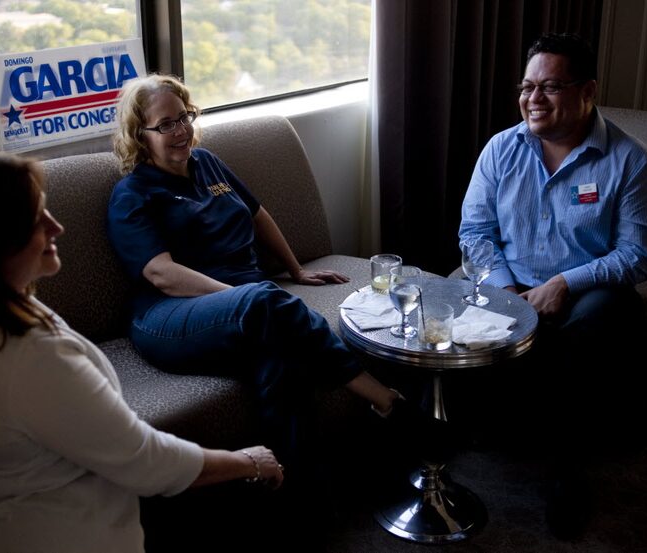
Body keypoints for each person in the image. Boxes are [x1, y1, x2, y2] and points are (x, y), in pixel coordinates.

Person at [0, 150, 284, 553]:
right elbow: (147, 461)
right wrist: (249, 461)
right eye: (36, 219)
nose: (56, 227)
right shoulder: (27, 356)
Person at [106, 74, 421, 482]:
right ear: (140, 134)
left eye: (184, 117)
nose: (181, 130)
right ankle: (384, 398)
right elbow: (161, 274)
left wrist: (296, 270)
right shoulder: (131, 194)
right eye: (165, 125)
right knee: (262, 304)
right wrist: (242, 298)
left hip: (245, 302)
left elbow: (257, 213)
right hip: (168, 317)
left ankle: (293, 484)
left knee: (277, 357)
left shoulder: (208, 164)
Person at [459, 33, 647, 538]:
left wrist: (564, 283)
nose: (533, 99)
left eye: (551, 86)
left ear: (587, 90)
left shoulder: (631, 162)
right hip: (511, 283)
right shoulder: (500, 150)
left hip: (591, 290)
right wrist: (505, 289)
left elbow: (638, 255)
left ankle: (567, 471)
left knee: (589, 332)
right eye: (528, 86)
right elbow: (474, 232)